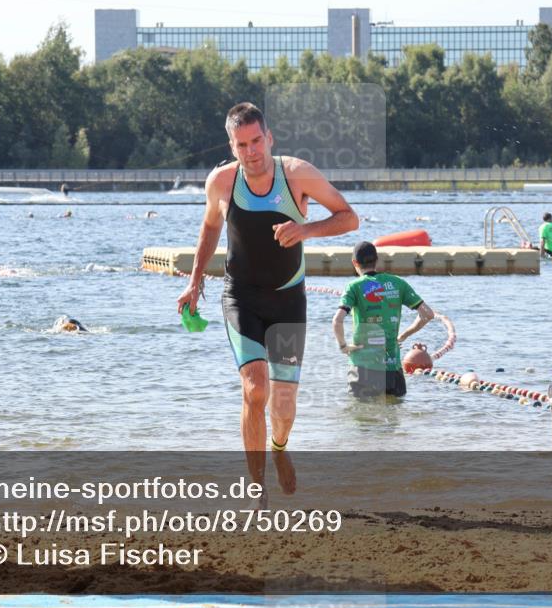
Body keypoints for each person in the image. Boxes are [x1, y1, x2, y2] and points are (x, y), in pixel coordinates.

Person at [176, 102, 358, 487]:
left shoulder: (296, 175)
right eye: (241, 145)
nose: (251, 151)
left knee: (284, 403)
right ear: (231, 147)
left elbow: (349, 217)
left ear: (269, 138)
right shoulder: (221, 183)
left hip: (288, 301)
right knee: (255, 389)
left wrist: (305, 230)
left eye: (257, 141)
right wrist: (194, 281)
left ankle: (279, 447)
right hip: (241, 297)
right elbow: (210, 229)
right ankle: (256, 486)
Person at [332, 242, 435, 399]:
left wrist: (343, 346)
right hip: (392, 367)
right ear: (377, 260)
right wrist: (404, 335)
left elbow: (337, 320)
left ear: (354, 263)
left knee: (362, 417)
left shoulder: (354, 287)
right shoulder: (398, 283)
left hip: (363, 367)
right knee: (393, 416)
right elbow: (428, 314)